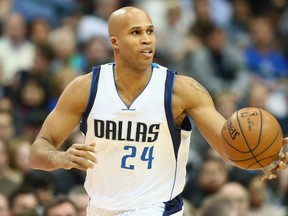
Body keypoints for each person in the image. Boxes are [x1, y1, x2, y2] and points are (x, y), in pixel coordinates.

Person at [29, 6, 288, 216]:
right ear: (115, 42)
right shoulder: (85, 88)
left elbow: (228, 146)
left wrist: (264, 158)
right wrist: (59, 158)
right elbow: (37, 151)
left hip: (157, 208)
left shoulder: (182, 90)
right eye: (136, 32)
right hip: (100, 208)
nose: (146, 39)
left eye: (150, 31)